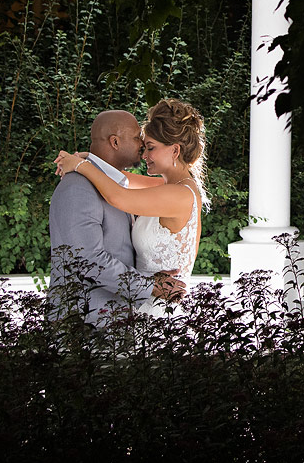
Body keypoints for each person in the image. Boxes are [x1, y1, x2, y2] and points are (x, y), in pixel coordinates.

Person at [54, 99, 207, 313]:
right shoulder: (170, 186)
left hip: (162, 306)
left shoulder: (179, 195)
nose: (144, 155)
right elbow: (119, 177)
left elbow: (119, 196)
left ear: (174, 150)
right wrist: (89, 157)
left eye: (150, 147)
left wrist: (81, 165)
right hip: (140, 302)